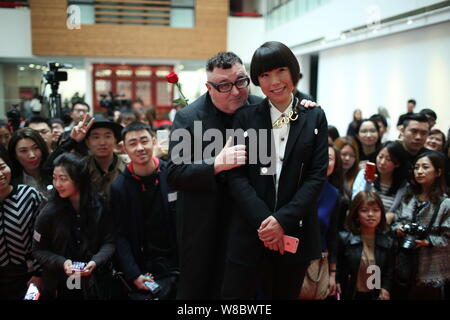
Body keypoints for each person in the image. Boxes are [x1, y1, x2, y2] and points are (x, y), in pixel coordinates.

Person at [168, 50, 319, 299]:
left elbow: (295, 127)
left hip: (253, 222)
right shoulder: (189, 117)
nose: (236, 91)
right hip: (205, 223)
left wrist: (304, 105)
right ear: (208, 87)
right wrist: (215, 164)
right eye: (224, 86)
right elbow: (174, 173)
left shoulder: (265, 108)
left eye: (240, 81)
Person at [222, 41, 327, 299]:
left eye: (280, 71)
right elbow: (235, 174)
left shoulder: (314, 116)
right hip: (251, 231)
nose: (275, 81)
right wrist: (265, 221)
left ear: (293, 72)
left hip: (295, 231)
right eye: (265, 75)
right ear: (257, 80)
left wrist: (282, 221)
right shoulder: (246, 118)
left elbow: (316, 175)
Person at [32, 153, 115, 300]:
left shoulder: (99, 204)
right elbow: (39, 249)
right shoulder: (49, 210)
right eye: (54, 177)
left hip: (97, 280)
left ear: (79, 180)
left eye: (63, 179)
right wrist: (62, 262)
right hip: (62, 280)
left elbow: (109, 241)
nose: (57, 184)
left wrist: (96, 261)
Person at [110, 122, 179, 299]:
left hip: (177, 262)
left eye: (144, 141)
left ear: (154, 141)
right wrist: (133, 273)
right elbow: (120, 234)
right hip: (144, 266)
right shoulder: (119, 187)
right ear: (123, 148)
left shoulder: (171, 173)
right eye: (132, 143)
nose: (140, 148)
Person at [391, 151, 450, 299]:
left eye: (425, 167)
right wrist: (398, 229)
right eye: (416, 167)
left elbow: (447, 239)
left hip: (431, 267)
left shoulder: (445, 203)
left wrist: (426, 241)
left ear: (438, 172)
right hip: (403, 261)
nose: (419, 171)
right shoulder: (408, 196)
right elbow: (397, 221)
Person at [0, 145, 44, 299]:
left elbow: (43, 237)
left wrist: (39, 273)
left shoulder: (29, 195)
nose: (0, 174)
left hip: (28, 275)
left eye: (2, 167)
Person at [47, 115, 126, 198]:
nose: (102, 142)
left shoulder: (128, 165)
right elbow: (48, 168)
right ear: (88, 142)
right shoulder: (80, 167)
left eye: (107, 136)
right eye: (96, 137)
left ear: (115, 140)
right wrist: (72, 140)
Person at [336, 191, 395, 300]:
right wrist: (337, 281)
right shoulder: (345, 239)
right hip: (350, 293)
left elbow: (389, 271)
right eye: (364, 210)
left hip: (373, 294)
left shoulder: (388, 242)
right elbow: (338, 265)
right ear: (356, 214)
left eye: (376, 210)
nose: (371, 214)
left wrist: (385, 288)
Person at [300, 144, 341, 299]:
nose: (325, 161)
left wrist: (333, 274)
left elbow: (333, 235)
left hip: (318, 261)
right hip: (290, 257)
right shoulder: (297, 185)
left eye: (330, 158)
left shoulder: (334, 194)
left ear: (335, 165)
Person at [352, 141, 408, 225]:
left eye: (388, 159)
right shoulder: (364, 174)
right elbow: (355, 202)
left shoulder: (403, 186)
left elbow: (403, 213)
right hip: (362, 224)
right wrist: (368, 184)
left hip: (386, 229)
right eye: (380, 157)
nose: (382, 162)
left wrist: (392, 216)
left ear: (397, 164)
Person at [8, 127, 51, 195]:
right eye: (23, 151)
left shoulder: (54, 171)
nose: (32, 155)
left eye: (36, 148)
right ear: (15, 155)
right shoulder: (12, 183)